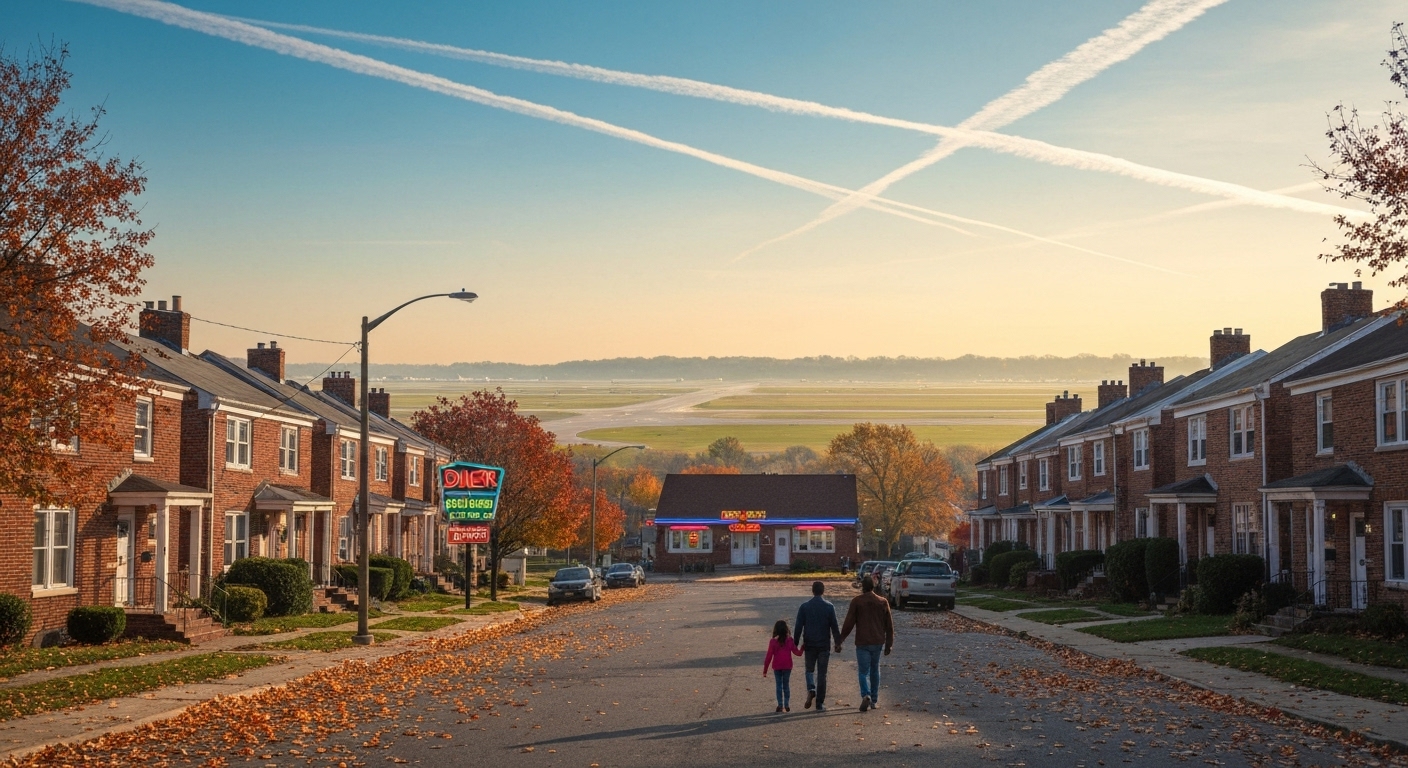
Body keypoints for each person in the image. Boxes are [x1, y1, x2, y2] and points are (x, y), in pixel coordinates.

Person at [836, 575, 894, 713]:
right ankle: (874, 700)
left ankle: (865, 694)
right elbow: (889, 625)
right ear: (873, 586)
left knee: (863, 672)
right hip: (877, 641)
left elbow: (849, 623)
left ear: (863, 587)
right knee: (875, 669)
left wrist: (840, 640)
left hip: (862, 641)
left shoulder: (857, 602)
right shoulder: (882, 602)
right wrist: (889, 644)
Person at [793, 580, 841, 712]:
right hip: (824, 645)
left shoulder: (804, 607)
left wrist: (795, 643)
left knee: (809, 670)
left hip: (809, 644)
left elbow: (798, 626)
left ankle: (811, 688)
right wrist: (838, 643)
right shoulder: (829, 607)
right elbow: (834, 627)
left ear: (813, 591)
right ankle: (820, 703)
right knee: (822, 674)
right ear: (823, 591)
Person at [762, 619, 803, 712]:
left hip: (777, 666)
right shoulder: (789, 640)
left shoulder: (773, 642)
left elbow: (768, 657)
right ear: (786, 629)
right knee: (786, 685)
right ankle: (787, 704)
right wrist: (802, 648)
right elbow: (798, 653)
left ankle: (780, 705)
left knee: (779, 685)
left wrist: (765, 670)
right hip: (787, 666)